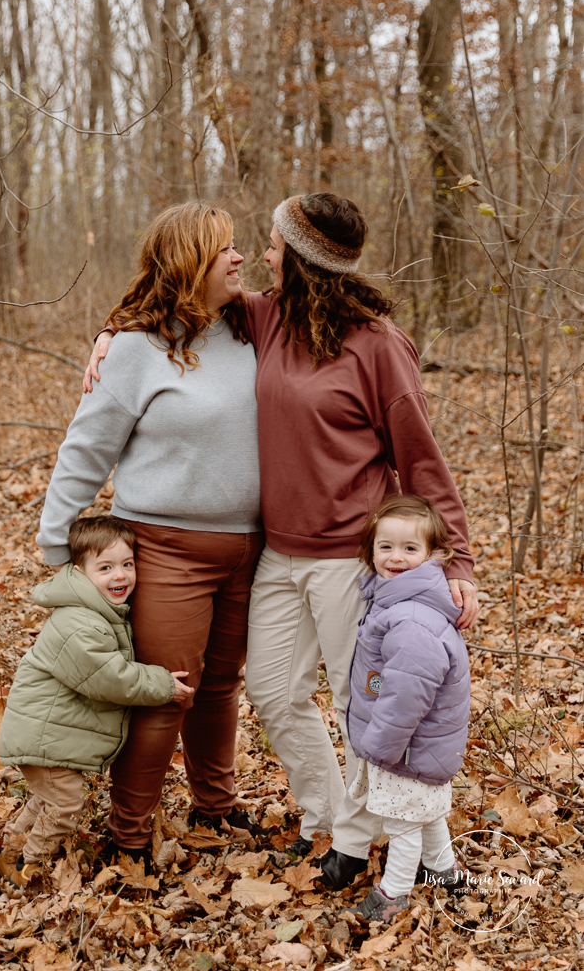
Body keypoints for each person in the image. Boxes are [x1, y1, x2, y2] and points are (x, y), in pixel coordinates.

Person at [87, 192, 478, 886]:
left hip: (348, 561)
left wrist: (459, 561)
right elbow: (174, 301)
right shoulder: (267, 320)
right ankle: (326, 815)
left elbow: (421, 459)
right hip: (276, 552)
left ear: (299, 258)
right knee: (272, 692)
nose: (261, 255)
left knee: (360, 702)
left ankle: (351, 843)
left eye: (271, 245)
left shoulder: (379, 346)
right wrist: (112, 334)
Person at [38, 203, 265, 866]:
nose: (239, 258)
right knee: (167, 690)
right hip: (165, 550)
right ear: (192, 261)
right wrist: (58, 548)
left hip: (250, 550)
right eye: (224, 248)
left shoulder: (253, 330)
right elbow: (84, 451)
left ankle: (213, 808)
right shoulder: (137, 348)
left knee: (220, 688)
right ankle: (128, 836)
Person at [0, 516, 191, 887]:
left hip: (45, 733)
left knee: (45, 799)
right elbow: (109, 677)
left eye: (127, 565)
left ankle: (6, 853)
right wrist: (161, 684)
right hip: (43, 736)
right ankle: (26, 869)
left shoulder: (96, 612)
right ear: (78, 572)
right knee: (64, 805)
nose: (120, 576)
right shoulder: (81, 623)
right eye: (106, 567)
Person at [343, 494, 470, 923]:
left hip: (407, 746)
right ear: (371, 549)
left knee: (403, 823)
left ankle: (394, 894)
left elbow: (406, 695)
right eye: (386, 546)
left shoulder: (411, 617)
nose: (396, 557)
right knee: (425, 811)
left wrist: (379, 746)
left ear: (435, 555)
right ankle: (445, 873)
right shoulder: (396, 599)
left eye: (410, 548)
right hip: (421, 745)